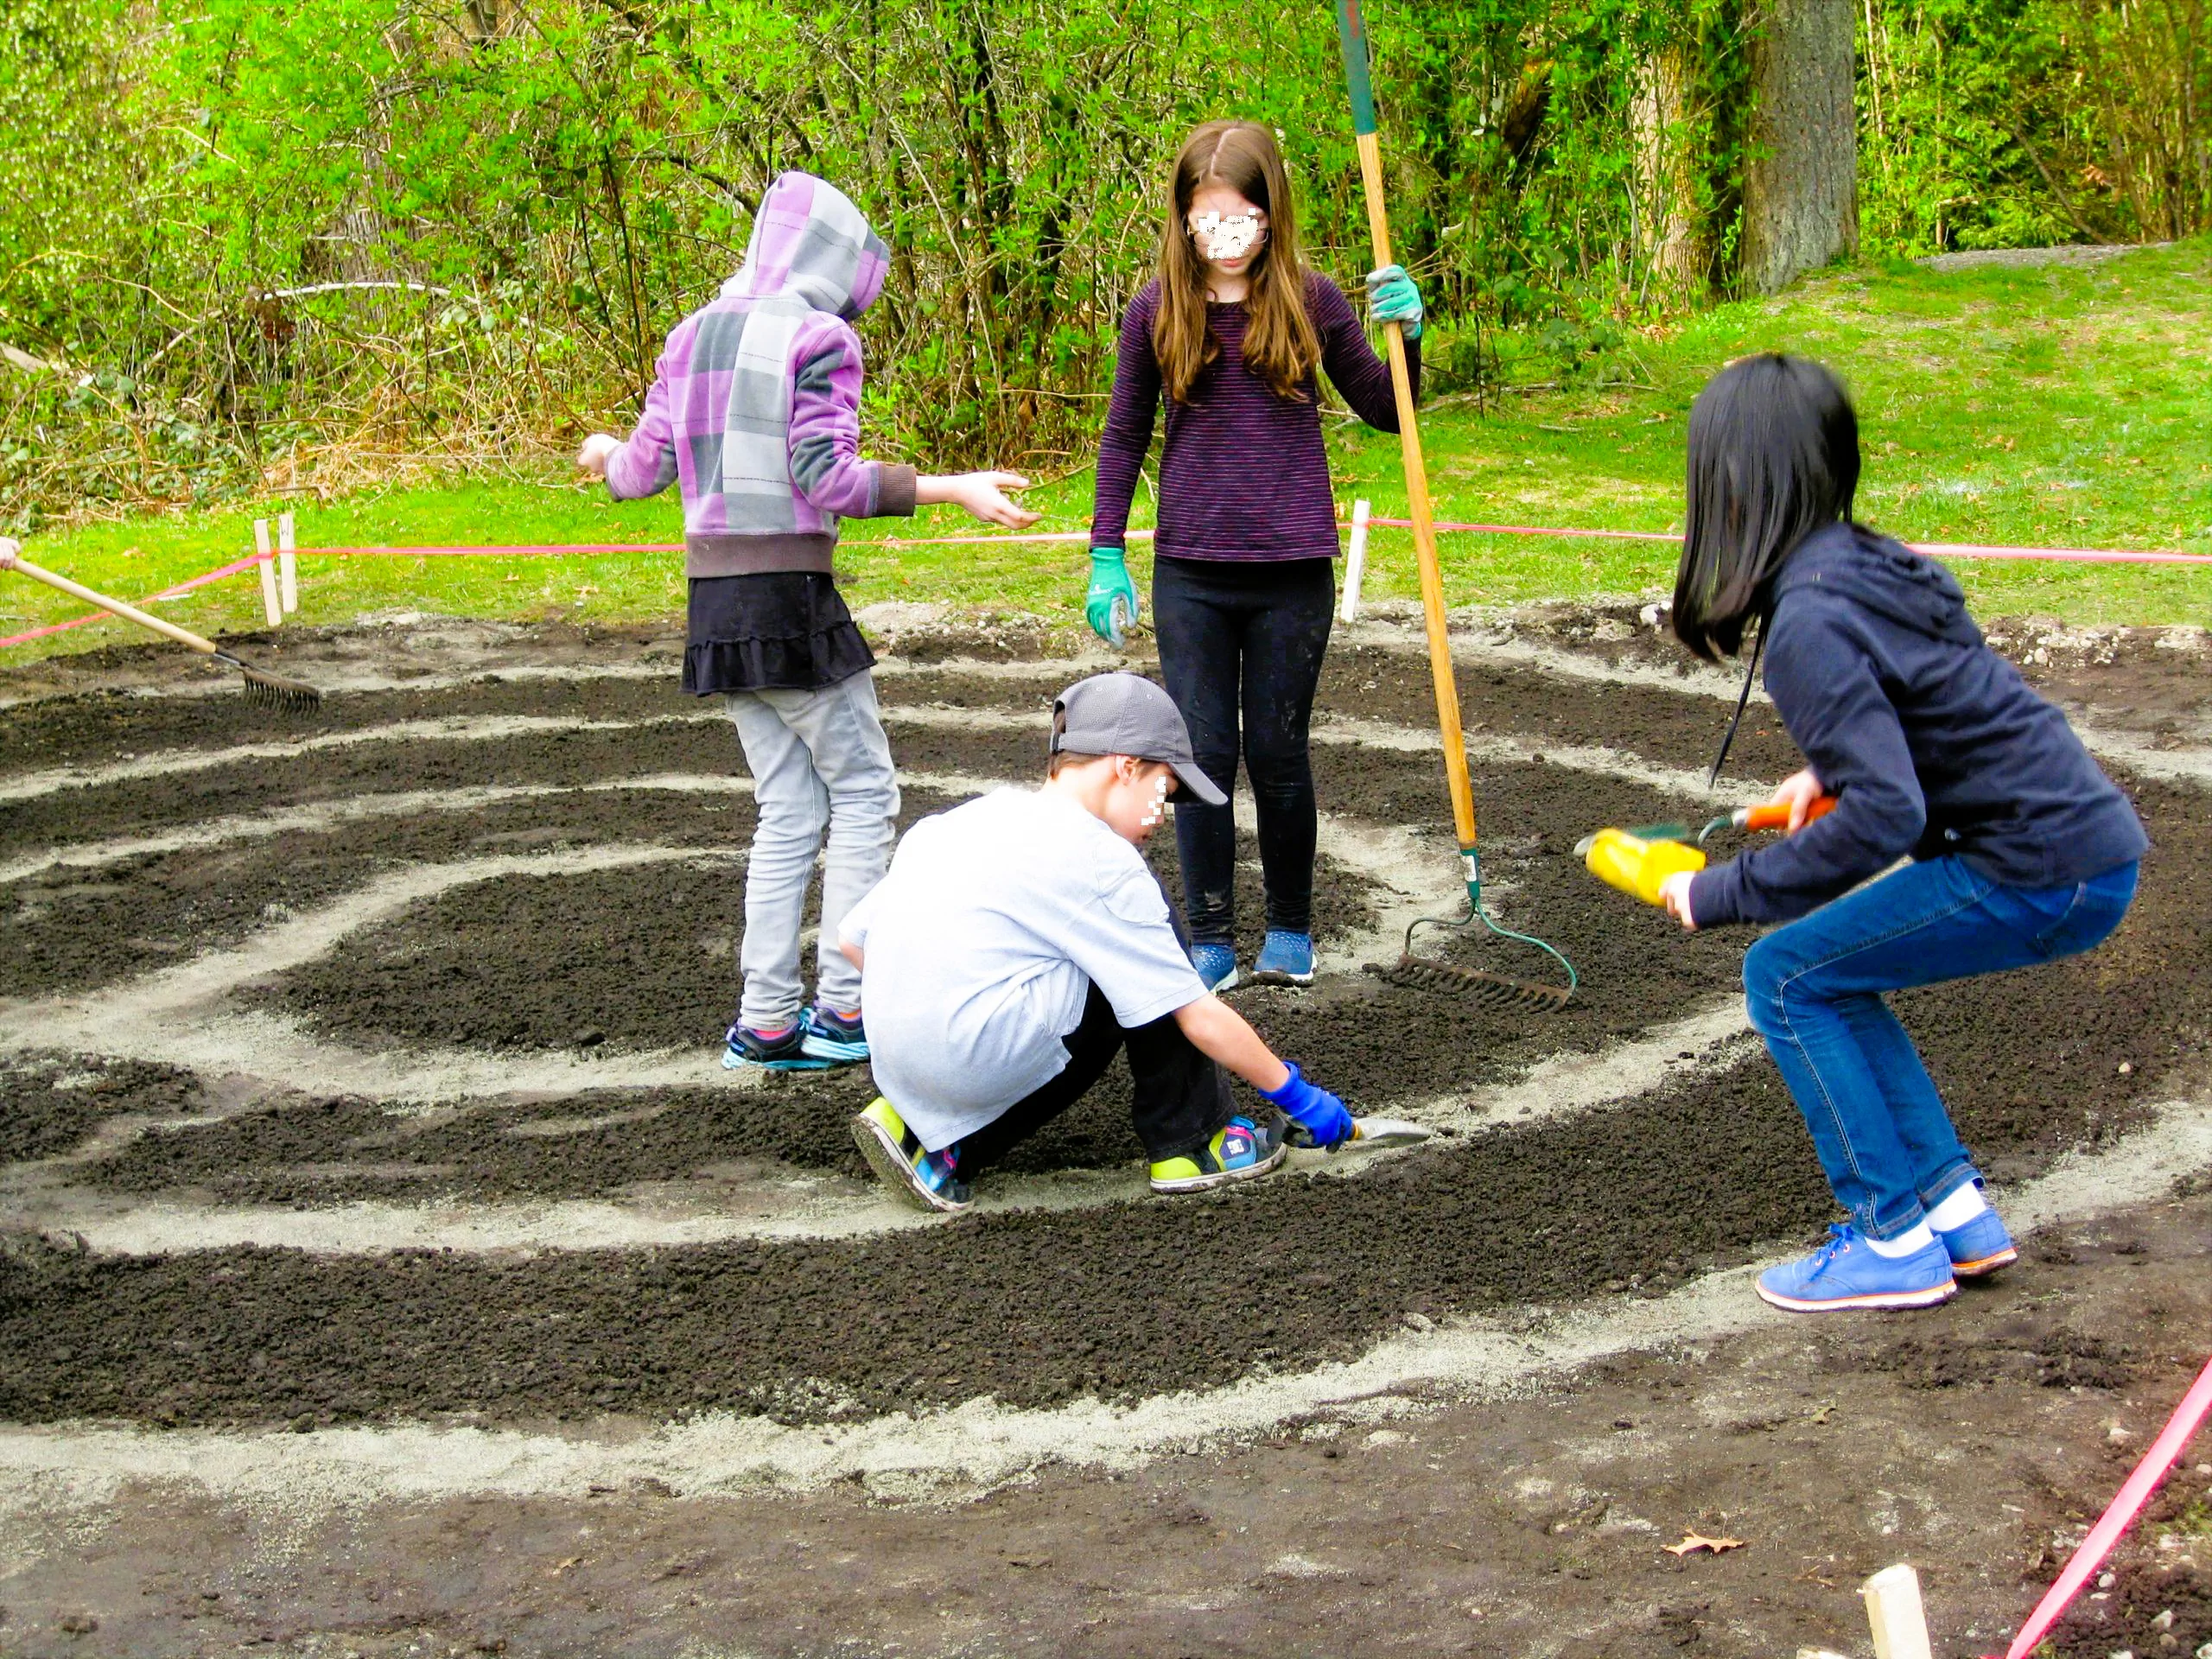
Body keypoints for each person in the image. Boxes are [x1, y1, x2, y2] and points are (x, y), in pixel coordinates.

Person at [1656, 353, 2147, 1313]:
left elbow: (1889, 814)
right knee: (1834, 977)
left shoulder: (1807, 622)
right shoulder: (1867, 564)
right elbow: (1934, 706)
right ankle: (1956, 1217)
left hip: (2035, 865)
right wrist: (1827, 771)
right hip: (2081, 846)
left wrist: (1721, 891)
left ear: (1730, 483)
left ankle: (1890, 1240)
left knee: (1784, 975)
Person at [576, 171, 1038, 1072]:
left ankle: (764, 1023)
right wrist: (953, 488)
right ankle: (844, 1009)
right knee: (865, 793)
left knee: (787, 809)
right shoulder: (820, 337)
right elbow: (826, 477)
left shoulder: (688, 334)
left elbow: (638, 473)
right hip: (788, 601)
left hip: (715, 608)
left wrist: (603, 453)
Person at [1085, 120, 1426, 992]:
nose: (1225, 235)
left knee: (1277, 754)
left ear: (1270, 214)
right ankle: (1208, 937)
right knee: (1200, 756)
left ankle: (1289, 929)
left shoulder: (1311, 300)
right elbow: (1123, 435)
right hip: (1191, 572)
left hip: (1292, 572)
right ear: (1182, 218)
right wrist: (1105, 550)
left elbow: (1390, 411)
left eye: (1241, 216)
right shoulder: (1155, 310)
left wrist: (1409, 336)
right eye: (1207, 218)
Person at [836, 672, 1358, 1211]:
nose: (1161, 817)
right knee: (1141, 954)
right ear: (1125, 766)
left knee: (1079, 964)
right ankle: (1194, 1141)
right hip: (967, 1066)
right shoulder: (1100, 859)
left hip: (897, 1067)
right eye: (1164, 792)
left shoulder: (958, 821)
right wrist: (1296, 1095)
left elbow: (854, 944)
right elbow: (1193, 1014)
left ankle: (929, 1135)